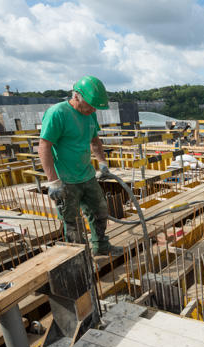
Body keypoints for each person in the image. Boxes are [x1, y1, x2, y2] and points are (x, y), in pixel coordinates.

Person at [38, 76, 123, 257]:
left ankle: (100, 246)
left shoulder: (89, 114)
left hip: (87, 175)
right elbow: (44, 146)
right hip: (66, 180)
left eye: (96, 107)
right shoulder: (57, 113)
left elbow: (94, 140)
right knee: (73, 222)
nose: (93, 110)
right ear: (76, 97)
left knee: (100, 212)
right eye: (90, 105)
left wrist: (102, 164)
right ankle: (81, 259)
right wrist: (53, 181)